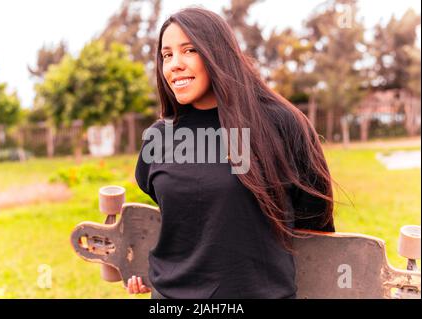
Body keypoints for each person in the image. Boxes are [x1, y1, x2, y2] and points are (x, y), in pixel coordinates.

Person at [126, 7, 335, 299]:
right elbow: (175, 223)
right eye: (167, 55)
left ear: (217, 52)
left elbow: (315, 225)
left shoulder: (281, 124)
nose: (175, 64)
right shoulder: (159, 138)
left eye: (189, 50)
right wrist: (142, 266)